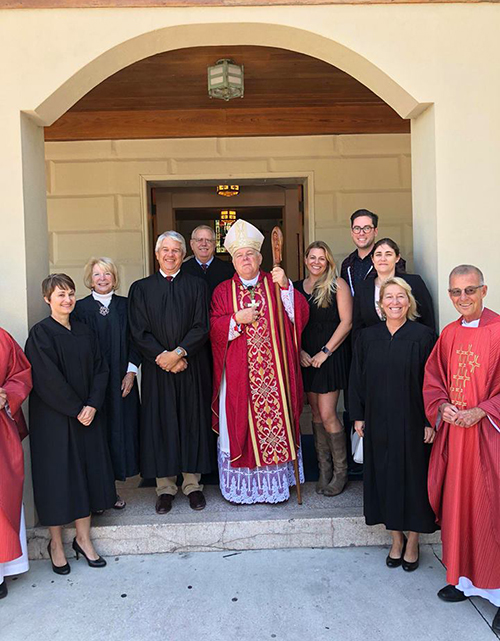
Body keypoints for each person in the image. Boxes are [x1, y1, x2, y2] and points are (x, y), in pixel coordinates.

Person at [210, 219, 309, 504]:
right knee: (239, 426)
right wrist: (234, 320)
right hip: (239, 375)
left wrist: (287, 287)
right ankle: (245, 488)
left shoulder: (275, 282)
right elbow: (213, 328)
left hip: (275, 377)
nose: (245, 259)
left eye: (250, 254)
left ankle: (275, 485)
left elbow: (299, 316)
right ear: (232, 260)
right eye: (240, 255)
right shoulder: (221, 291)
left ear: (260, 258)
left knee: (277, 426)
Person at [423, 265, 500, 632]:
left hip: (489, 440)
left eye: (470, 290)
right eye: (456, 292)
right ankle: (465, 580)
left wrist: (482, 411)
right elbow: (433, 379)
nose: (463, 298)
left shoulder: (499, 331)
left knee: (491, 511)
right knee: (459, 508)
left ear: (484, 290)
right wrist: (441, 407)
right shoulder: (449, 333)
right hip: (456, 438)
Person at [25, 274, 115, 574]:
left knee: (86, 475)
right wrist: (77, 408)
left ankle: (84, 539)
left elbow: (102, 369)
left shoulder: (85, 331)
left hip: (87, 415)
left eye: (71, 294)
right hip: (54, 419)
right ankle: (55, 543)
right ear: (47, 299)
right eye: (60, 295)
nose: (67, 300)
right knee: (58, 480)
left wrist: (92, 404)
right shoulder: (41, 334)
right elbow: (46, 378)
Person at [350, 277, 437, 570]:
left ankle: (413, 541)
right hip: (378, 420)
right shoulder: (367, 337)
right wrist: (358, 415)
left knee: (414, 480)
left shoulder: (424, 337)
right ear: (381, 303)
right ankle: (395, 538)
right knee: (383, 478)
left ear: (409, 301)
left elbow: (433, 383)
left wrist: (429, 420)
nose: (395, 302)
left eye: (401, 297)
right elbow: (357, 378)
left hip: (413, 421)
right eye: (389, 297)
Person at [128, 231, 213, 515]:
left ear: (182, 254)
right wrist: (162, 357)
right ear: (156, 254)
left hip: (190, 366)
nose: (170, 254)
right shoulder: (141, 288)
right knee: (160, 425)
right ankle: (165, 488)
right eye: (165, 250)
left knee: (191, 422)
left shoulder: (197, 285)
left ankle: (192, 485)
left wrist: (178, 353)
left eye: (176, 250)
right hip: (157, 370)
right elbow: (138, 331)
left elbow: (202, 325)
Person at [72, 257, 141, 510]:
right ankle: (101, 495)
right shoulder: (79, 309)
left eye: (107, 274)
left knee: (119, 432)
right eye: (97, 274)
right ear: (90, 279)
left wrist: (131, 372)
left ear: (115, 278)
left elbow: (138, 340)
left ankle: (112, 491)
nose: (102, 278)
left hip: (122, 383)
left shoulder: (126, 306)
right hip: (93, 386)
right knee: (96, 436)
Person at [294, 241, 352, 496]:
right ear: (305, 259)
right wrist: (300, 352)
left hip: (329, 356)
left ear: (328, 261)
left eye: (321, 258)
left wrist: (324, 352)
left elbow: (347, 322)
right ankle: (324, 470)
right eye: (312, 257)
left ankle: (341, 473)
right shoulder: (295, 288)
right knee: (315, 415)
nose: (316, 262)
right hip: (306, 358)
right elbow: (288, 325)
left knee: (328, 414)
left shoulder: (337, 284)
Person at [352, 238, 435, 343]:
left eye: (388, 254)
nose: (383, 259)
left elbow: (428, 320)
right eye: (378, 254)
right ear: (372, 259)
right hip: (373, 351)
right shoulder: (363, 288)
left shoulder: (414, 283)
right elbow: (357, 327)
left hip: (410, 348)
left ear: (397, 258)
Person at [0, 329, 32, 599]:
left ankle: (2, 570)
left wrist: (5, 396)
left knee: (2, 494)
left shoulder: (1, 338)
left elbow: (20, 374)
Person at [340, 209, 406, 296]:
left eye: (367, 228)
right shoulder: (347, 264)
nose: (361, 233)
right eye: (357, 228)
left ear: (375, 231)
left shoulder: (390, 260)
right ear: (352, 232)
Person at [181, 224, 234, 297]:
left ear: (214, 244)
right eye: (199, 240)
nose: (204, 244)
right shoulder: (182, 270)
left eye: (208, 240)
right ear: (192, 244)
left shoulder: (229, 270)